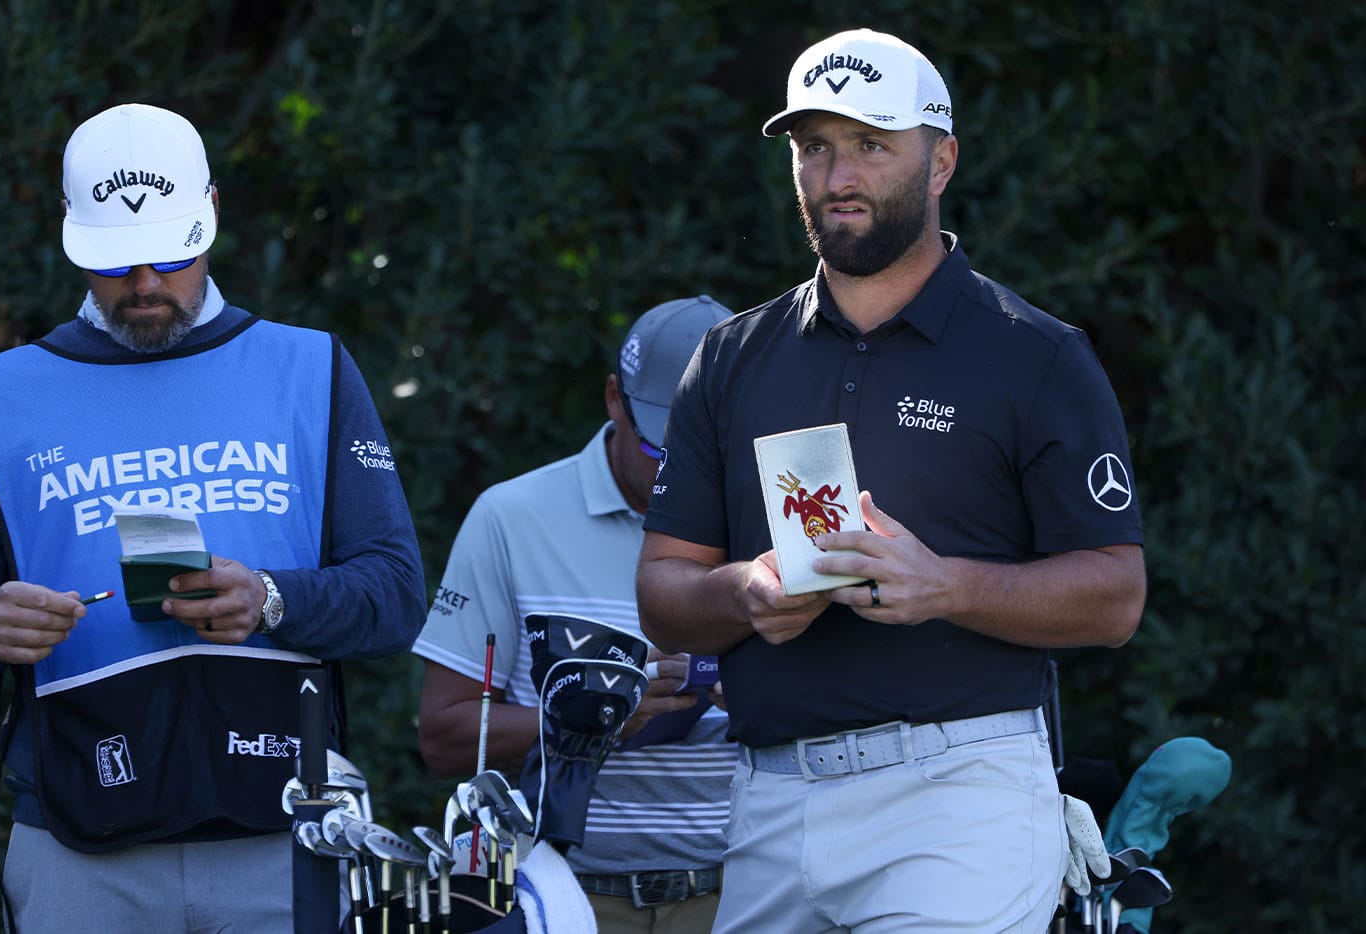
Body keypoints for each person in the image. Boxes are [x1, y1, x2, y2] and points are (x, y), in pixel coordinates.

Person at [635, 29, 1146, 934]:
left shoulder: (1036, 355)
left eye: (871, 144)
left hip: (959, 797)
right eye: (813, 146)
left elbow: (1114, 596)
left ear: (941, 160)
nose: (837, 176)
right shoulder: (730, 358)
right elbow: (664, 593)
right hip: (768, 801)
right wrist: (745, 592)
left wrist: (945, 586)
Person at [0, 102, 426, 931]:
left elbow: (396, 595)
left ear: (212, 213)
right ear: (69, 230)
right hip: (78, 845)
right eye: (116, 261)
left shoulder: (310, 367)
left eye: (171, 254)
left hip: (281, 829)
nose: (146, 283)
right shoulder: (1, 393)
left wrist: (272, 599)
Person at [414, 296, 738, 933]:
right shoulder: (511, 518)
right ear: (614, 398)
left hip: (741, 896)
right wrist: (584, 719)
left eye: (708, 448)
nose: (685, 473)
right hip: (564, 898)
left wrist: (762, 694)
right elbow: (443, 735)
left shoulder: (779, 515)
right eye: (662, 446)